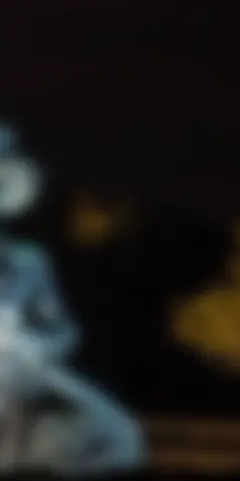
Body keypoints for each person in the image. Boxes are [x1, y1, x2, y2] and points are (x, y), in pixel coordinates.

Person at [0, 126, 143, 477]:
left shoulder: (30, 260)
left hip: (21, 372)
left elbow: (63, 330)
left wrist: (24, 339)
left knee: (106, 434)